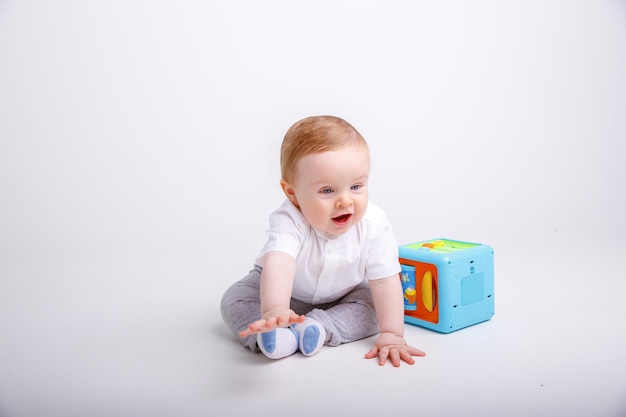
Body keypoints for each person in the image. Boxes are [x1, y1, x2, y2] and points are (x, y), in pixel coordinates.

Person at [220, 115, 426, 366]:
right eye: (327, 191)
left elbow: (385, 281)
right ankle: (274, 335)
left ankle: (316, 328)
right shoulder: (290, 218)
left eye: (356, 186)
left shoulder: (374, 223)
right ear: (293, 193)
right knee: (234, 299)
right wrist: (274, 309)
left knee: (374, 304)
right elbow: (280, 263)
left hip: (345, 293)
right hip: (284, 290)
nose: (345, 201)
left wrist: (392, 334)